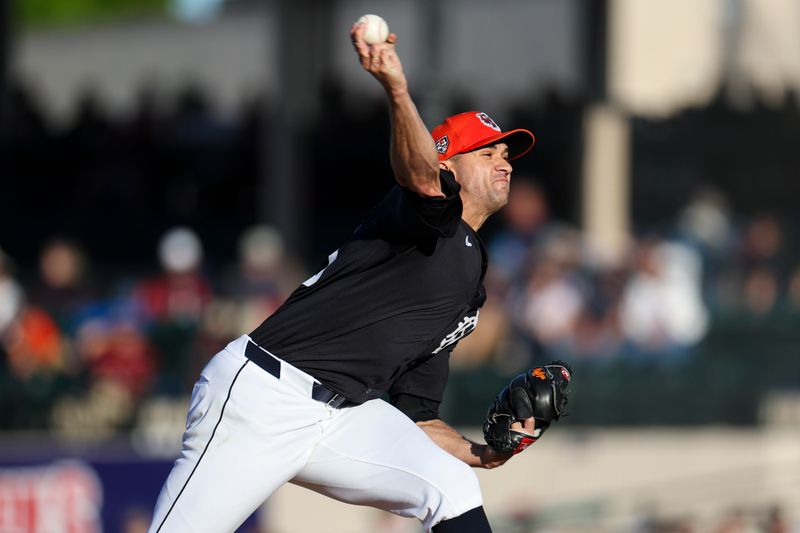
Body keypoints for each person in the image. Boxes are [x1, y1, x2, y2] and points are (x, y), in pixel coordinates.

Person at [148, 21, 537, 533]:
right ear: (448, 164)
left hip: (343, 416)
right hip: (263, 398)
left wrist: (483, 452)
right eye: (487, 153)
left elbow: (417, 416)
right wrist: (397, 89)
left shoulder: (470, 276)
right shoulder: (422, 216)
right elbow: (418, 174)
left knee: (452, 485)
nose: (503, 164)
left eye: (506, 155)